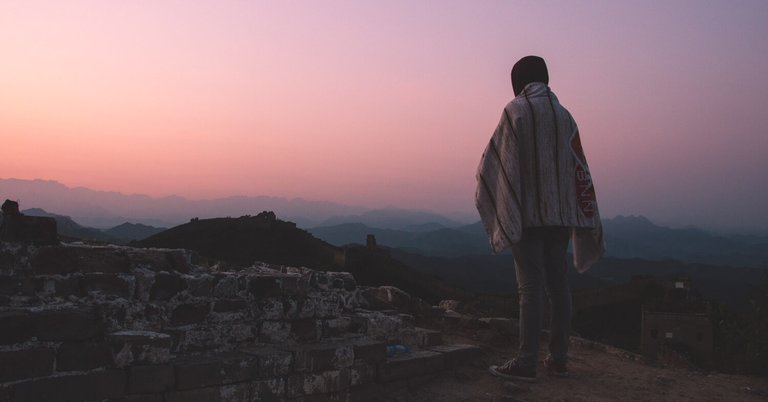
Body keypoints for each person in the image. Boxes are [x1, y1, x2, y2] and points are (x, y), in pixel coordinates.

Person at [475, 55, 605, 382]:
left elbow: (495, 164)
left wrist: (499, 196)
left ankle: (526, 361)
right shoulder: (566, 117)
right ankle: (558, 359)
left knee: (530, 287)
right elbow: (580, 168)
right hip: (561, 217)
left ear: (518, 82)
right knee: (558, 286)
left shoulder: (516, 111)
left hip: (529, 216)